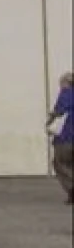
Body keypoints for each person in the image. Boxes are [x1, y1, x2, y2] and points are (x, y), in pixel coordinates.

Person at [46, 71, 74, 205]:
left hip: (66, 137)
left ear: (66, 83)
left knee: (59, 163)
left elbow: (59, 112)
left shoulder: (65, 94)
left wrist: (50, 120)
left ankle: (72, 189)